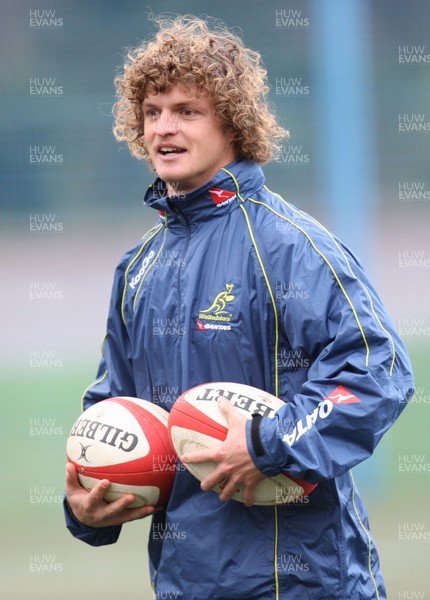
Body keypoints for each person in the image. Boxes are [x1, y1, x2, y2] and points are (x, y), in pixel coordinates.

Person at [64, 15, 415, 600]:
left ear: (232, 123)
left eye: (186, 111)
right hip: (183, 583)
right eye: (152, 113)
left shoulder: (291, 245)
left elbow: (377, 372)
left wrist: (267, 444)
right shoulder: (138, 267)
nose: (163, 129)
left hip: (303, 582)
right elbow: (113, 408)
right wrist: (86, 503)